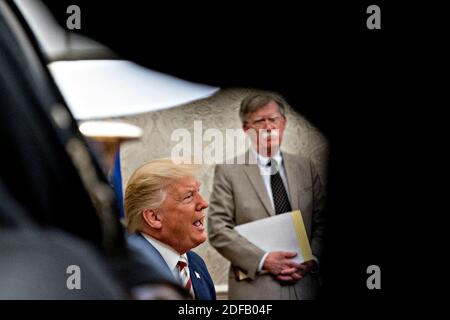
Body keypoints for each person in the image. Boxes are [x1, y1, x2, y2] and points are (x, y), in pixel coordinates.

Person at [207, 93, 327, 299]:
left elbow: (322, 221)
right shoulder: (228, 171)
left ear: (284, 123)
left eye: (273, 119)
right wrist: (265, 260)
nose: (268, 127)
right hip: (255, 288)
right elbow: (218, 229)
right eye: (260, 121)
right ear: (246, 128)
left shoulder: (306, 167)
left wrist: (312, 258)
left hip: (307, 285)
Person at [124, 159, 216, 300]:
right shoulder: (125, 270)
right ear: (154, 217)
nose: (203, 203)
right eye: (188, 196)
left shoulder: (196, 264)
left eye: (198, 192)